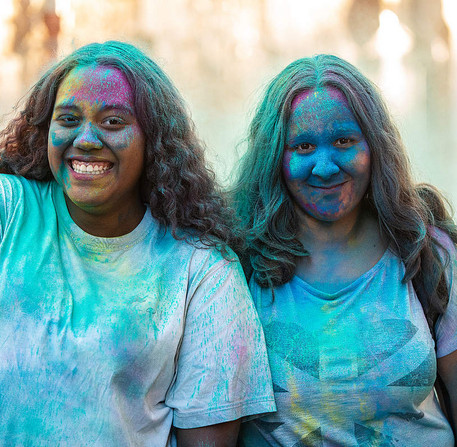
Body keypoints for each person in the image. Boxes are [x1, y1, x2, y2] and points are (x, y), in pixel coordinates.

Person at [0, 40, 275, 446]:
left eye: (112, 121)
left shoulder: (202, 272)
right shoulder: (9, 210)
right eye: (68, 118)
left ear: (155, 141)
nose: (86, 139)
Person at [232, 54, 457, 446]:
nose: (324, 166)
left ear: (375, 146)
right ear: (274, 157)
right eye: (302, 146)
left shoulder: (425, 253)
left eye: (343, 141)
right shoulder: (238, 263)